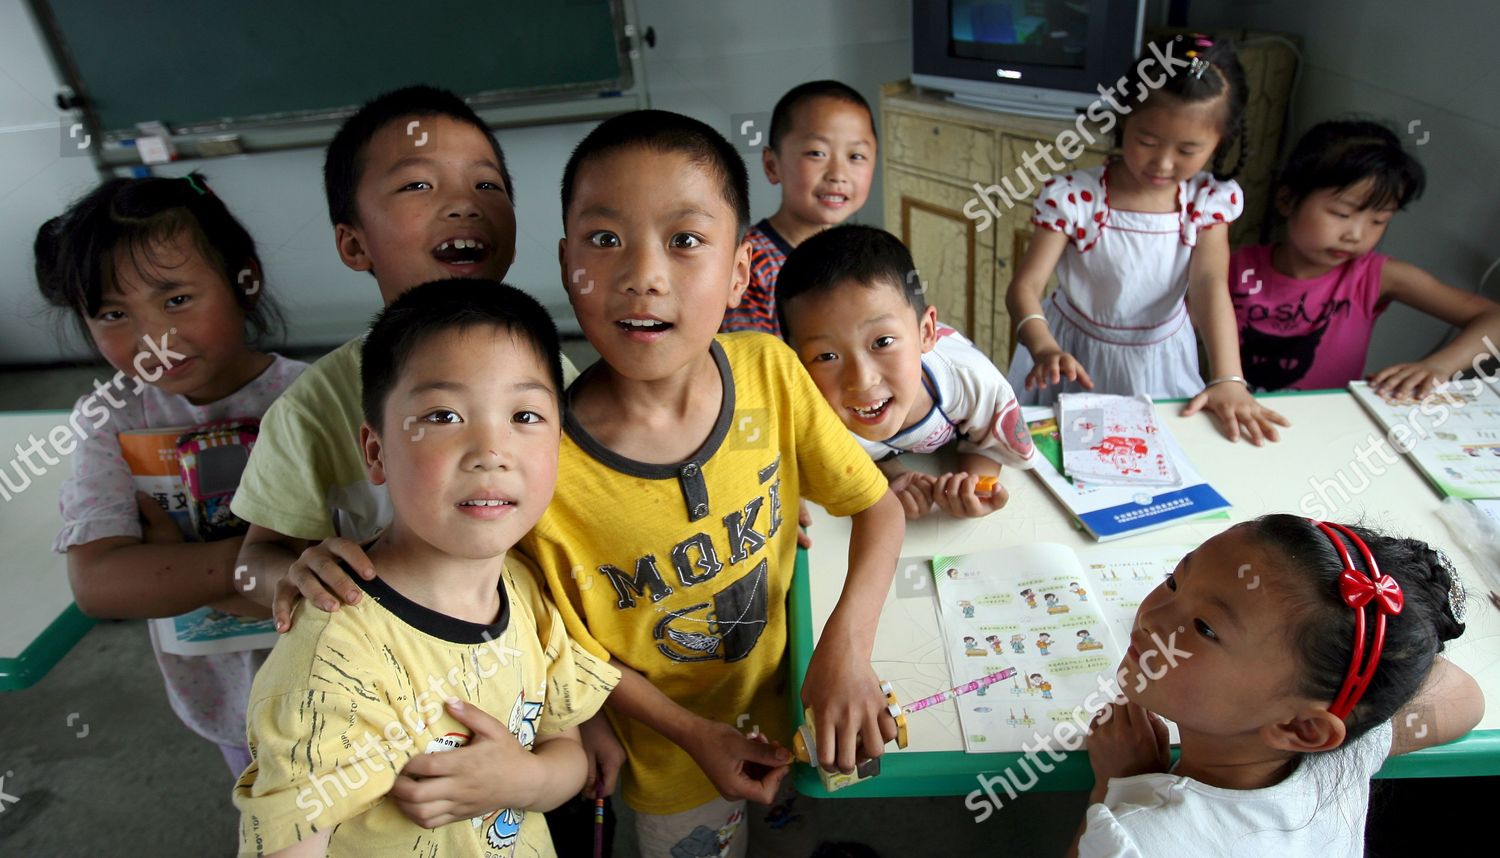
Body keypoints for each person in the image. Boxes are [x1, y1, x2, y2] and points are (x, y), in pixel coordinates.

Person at [270, 109, 906, 857]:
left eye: (686, 241)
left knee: (809, 812)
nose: (643, 276)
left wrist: (844, 649)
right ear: (568, 259)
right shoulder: (534, 461)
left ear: (739, 270)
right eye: (605, 241)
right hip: (671, 755)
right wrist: (689, 733)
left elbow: (876, 506)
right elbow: (566, 647)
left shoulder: (770, 373)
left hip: (795, 683)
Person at [233, 280, 619, 856]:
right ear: (376, 451)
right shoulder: (335, 657)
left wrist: (526, 780)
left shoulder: (525, 590)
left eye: (525, 415)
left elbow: (566, 745)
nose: (491, 449)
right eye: (442, 415)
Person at [37, 172, 306, 777]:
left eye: (177, 299)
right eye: (112, 313)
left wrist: (175, 569)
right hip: (226, 699)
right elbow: (99, 585)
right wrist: (256, 568)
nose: (153, 338)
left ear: (244, 280)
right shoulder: (110, 420)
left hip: (340, 680)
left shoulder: (314, 398)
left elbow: (370, 558)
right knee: (267, 815)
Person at [1070, 515, 1483, 856]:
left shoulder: (1137, 838)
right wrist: (1371, 660)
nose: (1152, 619)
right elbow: (1467, 698)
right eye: (1174, 581)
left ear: (1301, 729)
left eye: (1205, 628)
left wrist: (1118, 785)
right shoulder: (1345, 747)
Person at [1005, 34, 1288, 445]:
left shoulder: (1206, 201)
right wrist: (1043, 346)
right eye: (1147, 141)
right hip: (1069, 354)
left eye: (1188, 149)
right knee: (1064, 456)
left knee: (1153, 453)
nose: (1163, 162)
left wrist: (1229, 378)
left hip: (1159, 358)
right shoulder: (1074, 197)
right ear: (1123, 119)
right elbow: (1025, 287)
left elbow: (1209, 285)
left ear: (1220, 141)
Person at [778, 224, 1037, 519]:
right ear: (795, 361)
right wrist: (891, 474)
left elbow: (989, 440)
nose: (862, 380)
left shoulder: (972, 382)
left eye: (882, 342)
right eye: (827, 356)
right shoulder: (808, 412)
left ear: (926, 332)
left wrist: (971, 487)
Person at [1230, 119, 1500, 397]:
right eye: (1341, 214)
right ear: (1287, 200)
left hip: (1330, 428)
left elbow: (1494, 318)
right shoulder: (1235, 268)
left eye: (1379, 220)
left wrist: (1438, 366)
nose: (1356, 235)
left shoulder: (1375, 276)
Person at [720, 80, 877, 336]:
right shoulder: (752, 267)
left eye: (856, 156)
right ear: (772, 165)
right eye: (817, 153)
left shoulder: (861, 259)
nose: (838, 174)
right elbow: (749, 363)